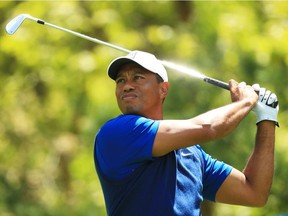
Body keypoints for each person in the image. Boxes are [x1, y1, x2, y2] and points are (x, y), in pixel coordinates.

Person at [94, 50, 279, 216]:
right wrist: (246, 102)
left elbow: (254, 193)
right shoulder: (117, 133)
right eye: (121, 80)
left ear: (163, 89)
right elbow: (211, 127)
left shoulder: (192, 154)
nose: (127, 86)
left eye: (138, 78)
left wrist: (267, 118)